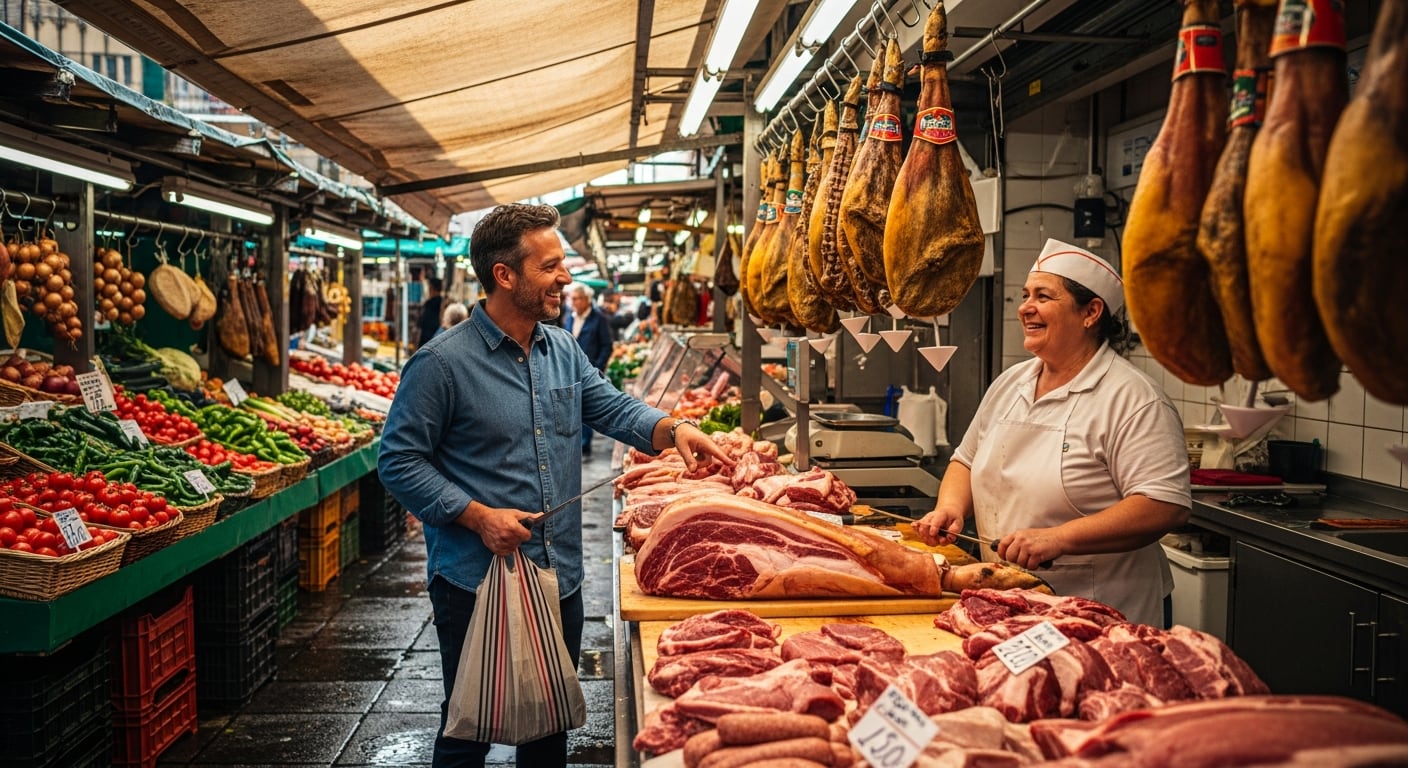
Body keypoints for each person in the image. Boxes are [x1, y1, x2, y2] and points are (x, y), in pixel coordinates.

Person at [377, 203, 733, 768]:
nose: (565, 277)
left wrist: (674, 428)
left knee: (547, 727)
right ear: (504, 275)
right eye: (550, 266)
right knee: (467, 728)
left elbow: (612, 407)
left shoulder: (561, 348)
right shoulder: (440, 364)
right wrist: (477, 515)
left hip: (557, 577)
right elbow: (397, 461)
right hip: (476, 581)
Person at [912, 239, 1191, 628]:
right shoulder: (1011, 383)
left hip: (1102, 610)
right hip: (1011, 600)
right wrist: (951, 508)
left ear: (1091, 312)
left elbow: (1164, 504)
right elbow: (966, 460)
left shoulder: (1133, 398)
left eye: (1043, 297)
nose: (1025, 307)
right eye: (1026, 295)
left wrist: (1059, 538)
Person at [563, 283, 614, 456]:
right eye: (572, 299)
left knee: (585, 405)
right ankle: (574, 441)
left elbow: (607, 345)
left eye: (577, 299)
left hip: (589, 370)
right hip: (570, 369)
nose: (574, 302)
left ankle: (584, 444)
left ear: (587, 299)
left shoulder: (599, 318)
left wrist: (597, 367)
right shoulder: (570, 317)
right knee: (571, 405)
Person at [417, 276, 444, 348]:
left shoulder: (429, 304)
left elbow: (423, 323)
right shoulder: (443, 302)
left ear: (432, 288)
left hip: (427, 339)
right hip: (437, 339)